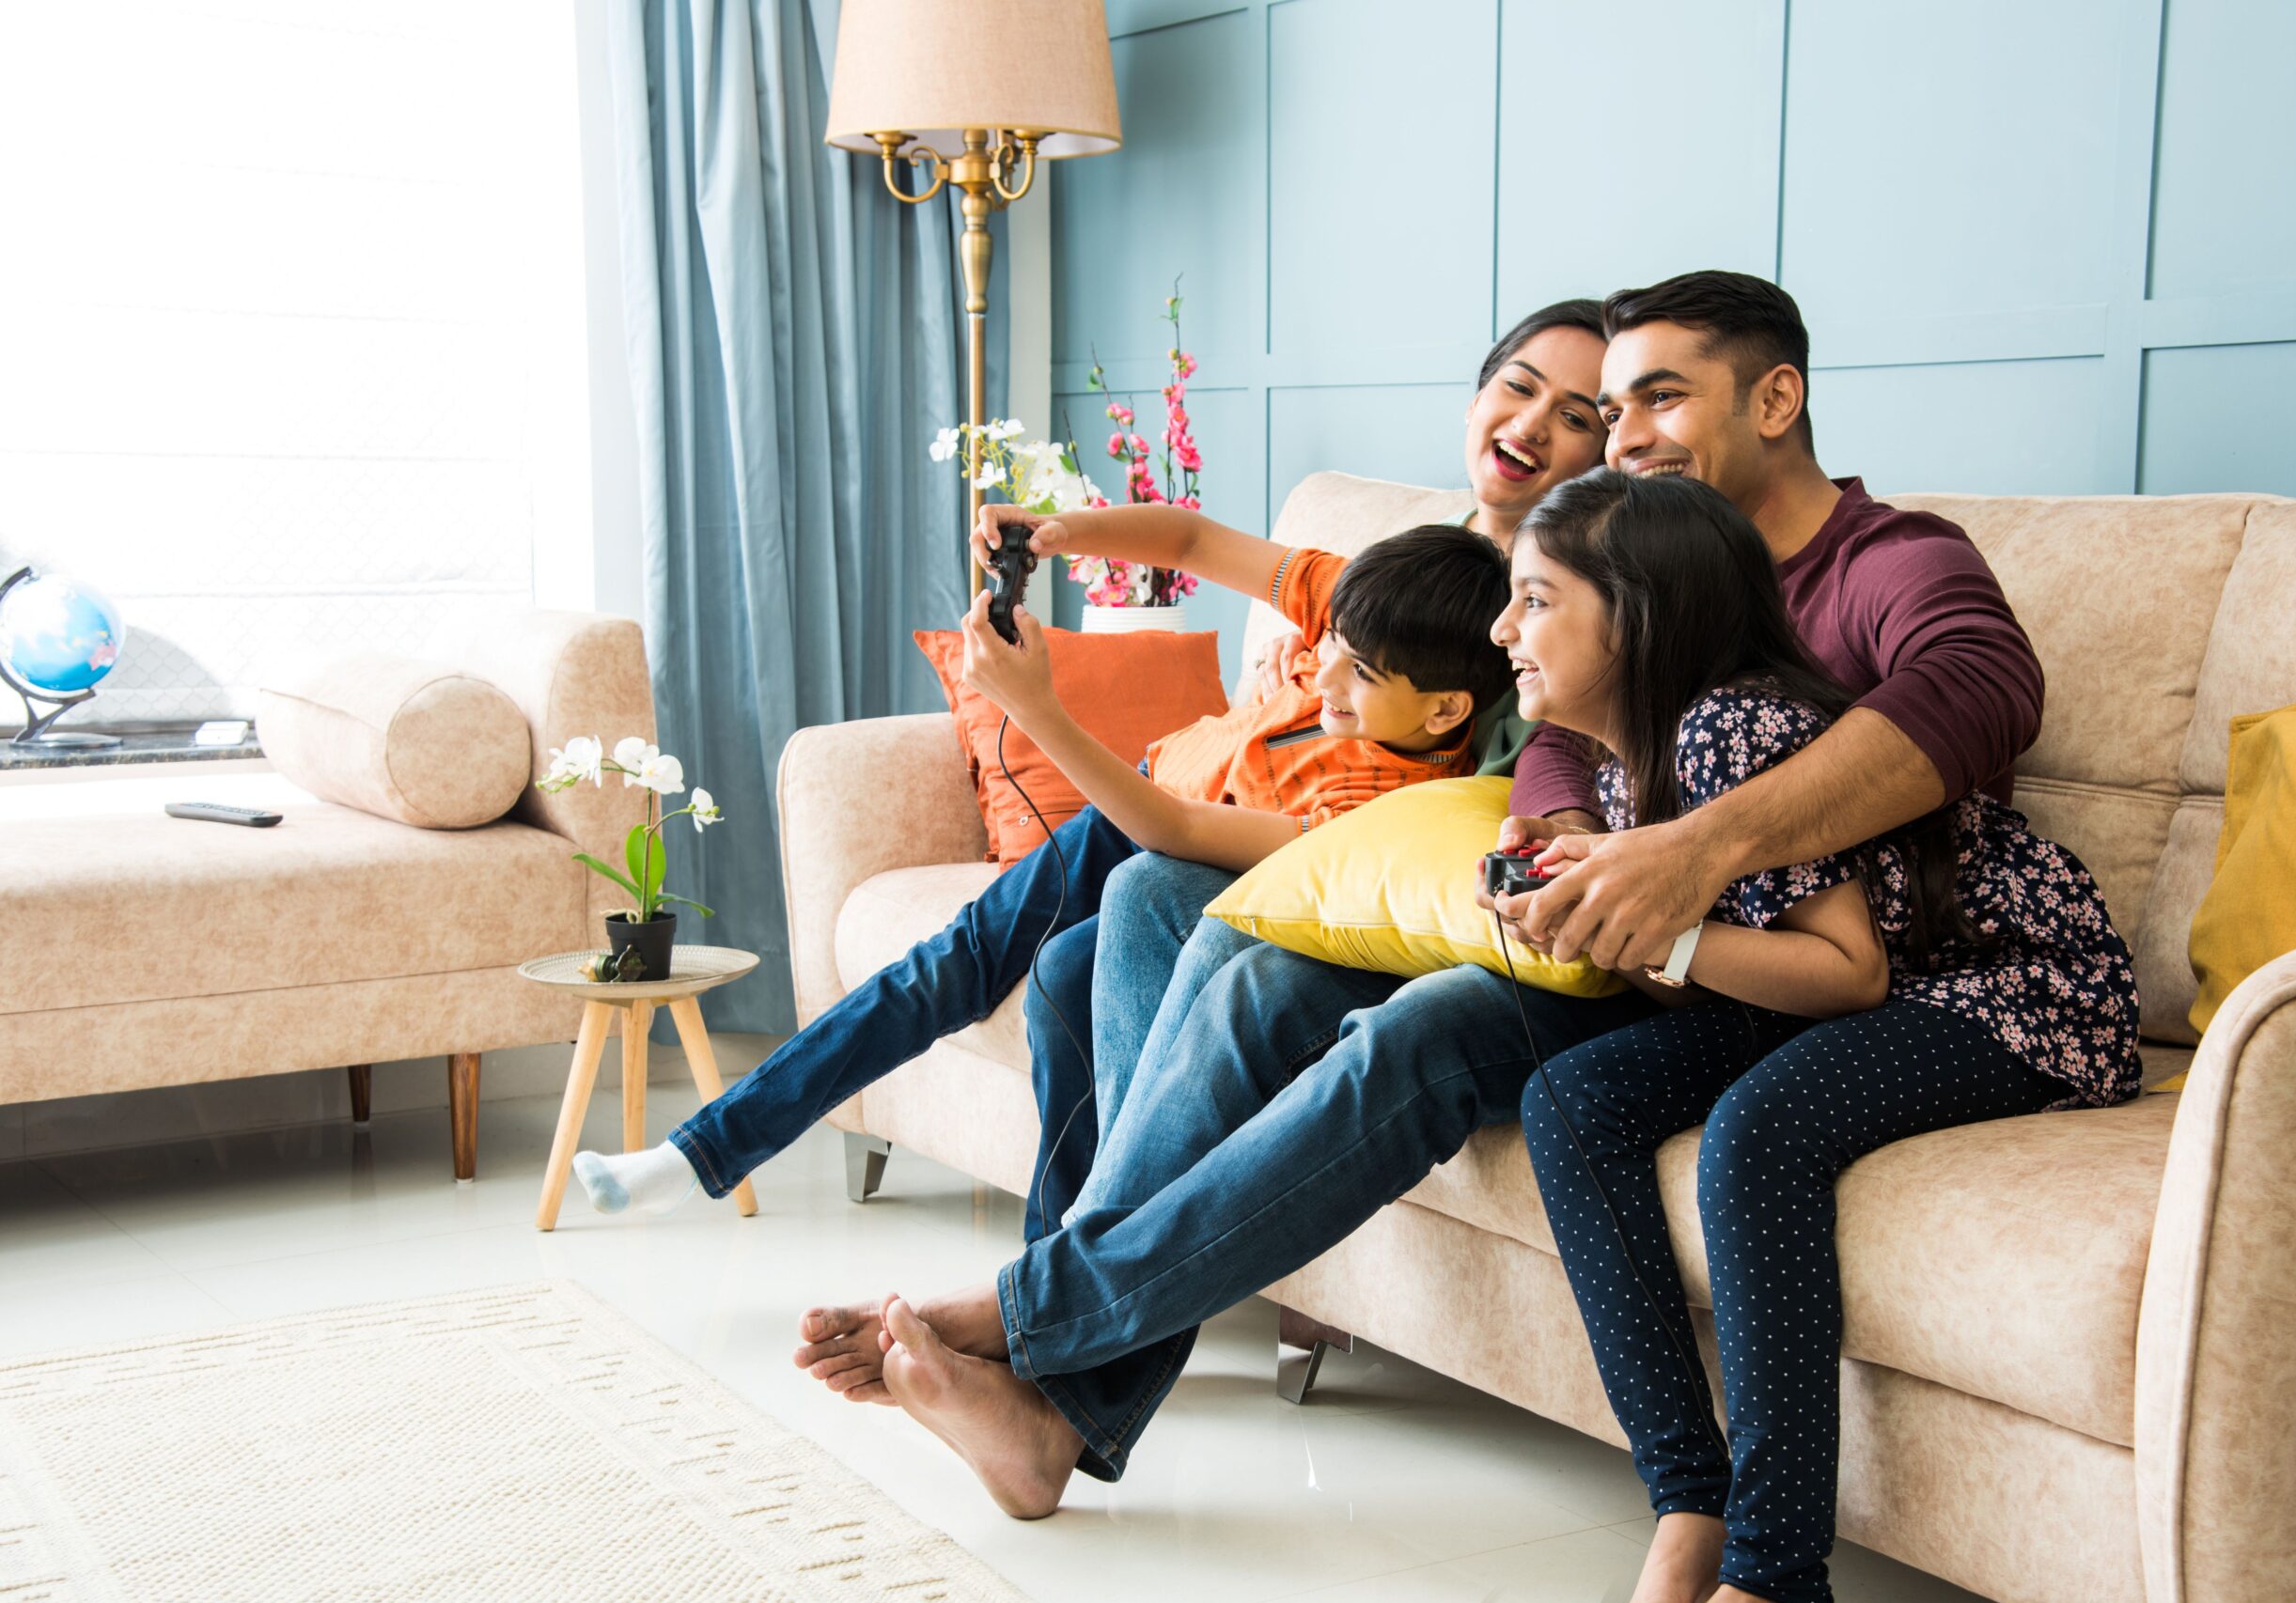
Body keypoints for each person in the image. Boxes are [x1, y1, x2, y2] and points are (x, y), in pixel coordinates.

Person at [794, 272, 2053, 1523]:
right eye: (1614, 410)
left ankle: (1036, 1326)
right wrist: (1564, 838)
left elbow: (1981, 691)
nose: (1624, 436)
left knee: (1416, 1027)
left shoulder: (1887, 562)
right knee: (1203, 935)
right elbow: (1558, 745)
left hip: (1722, 963)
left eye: (1654, 401)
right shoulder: (1619, 552)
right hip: (1596, 926)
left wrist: (1692, 853)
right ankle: (1062, 1388)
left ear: (1774, 400)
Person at [569, 298, 1608, 1229]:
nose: (1530, 424)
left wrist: (1040, 706)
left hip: (1207, 846)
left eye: (1574, 415)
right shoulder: (1393, 571)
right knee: (968, 966)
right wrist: (1060, 532)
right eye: (1518, 387)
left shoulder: (1524, 643)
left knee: (1027, 968)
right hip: (1163, 802)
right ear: (1479, 393)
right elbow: (1193, 542)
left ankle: (1044, 1269)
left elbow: (1248, 831)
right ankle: (728, 1160)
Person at [1495, 468, 2140, 1603]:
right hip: (1875, 992)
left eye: (1536, 599)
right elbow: (1710, 987)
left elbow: (1849, 973)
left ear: (1636, 615)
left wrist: (1664, 931)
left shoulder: (1731, 728)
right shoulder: (1622, 772)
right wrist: (1599, 923)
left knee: (1762, 1127)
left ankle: (1773, 1574)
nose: (1504, 630)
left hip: (2009, 987)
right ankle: (1688, 1501)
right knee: (1571, 1101)